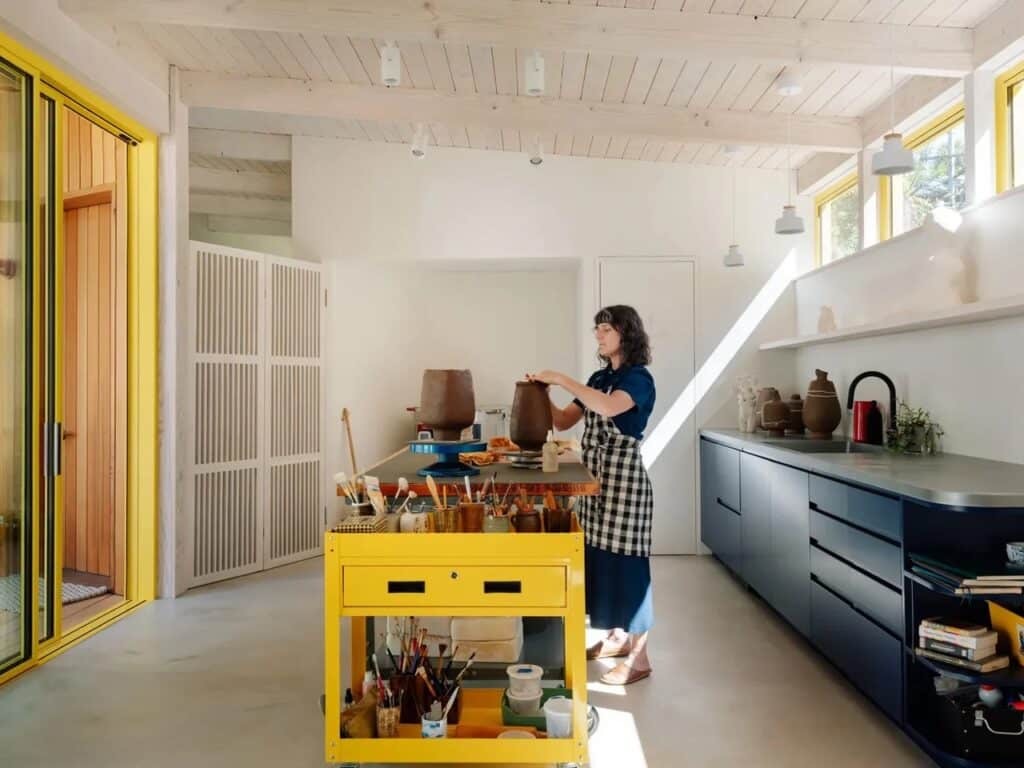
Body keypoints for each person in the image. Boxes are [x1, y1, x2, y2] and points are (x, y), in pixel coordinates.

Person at [527, 305, 656, 686]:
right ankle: (616, 637)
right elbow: (563, 420)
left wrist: (562, 378)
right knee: (599, 559)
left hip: (625, 480)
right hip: (595, 478)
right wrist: (544, 393)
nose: (598, 336)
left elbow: (607, 406)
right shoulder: (599, 376)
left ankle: (641, 657)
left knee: (630, 566)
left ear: (625, 333)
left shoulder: (638, 378)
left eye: (604, 329)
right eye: (596, 330)